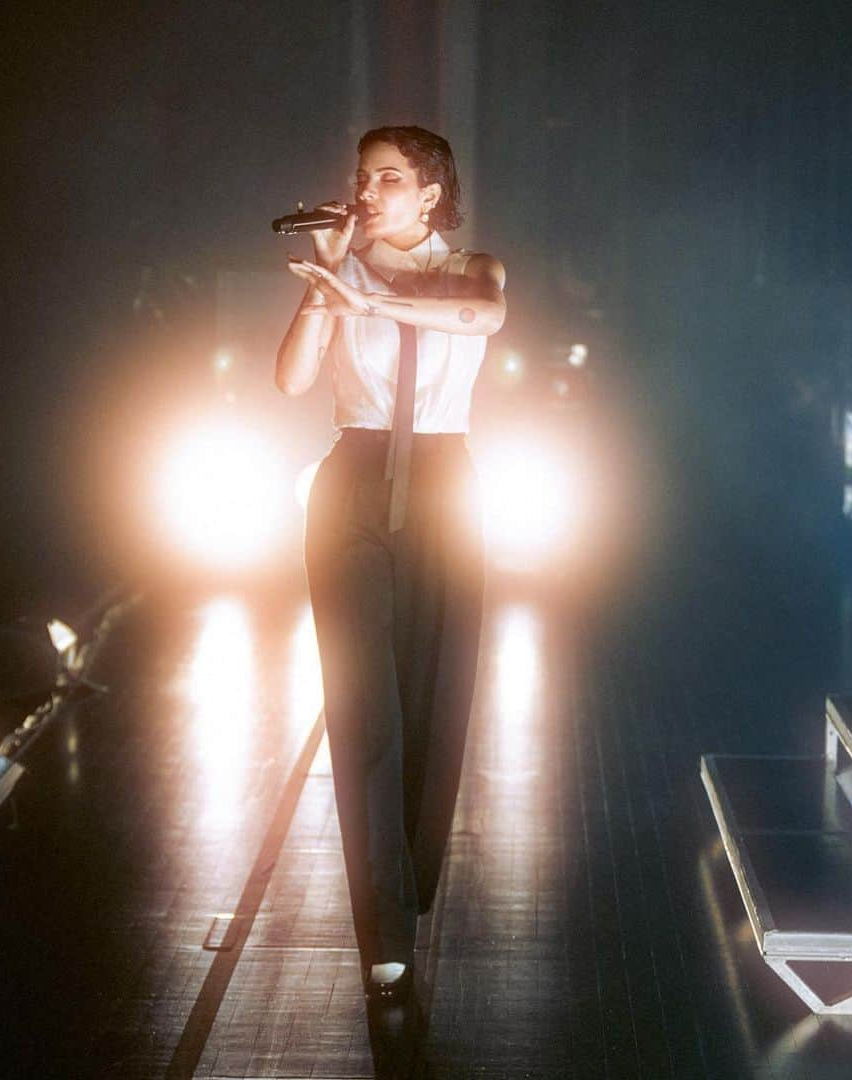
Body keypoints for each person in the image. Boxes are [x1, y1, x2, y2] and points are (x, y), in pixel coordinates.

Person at [276, 125, 506, 1003]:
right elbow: (292, 382)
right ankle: (384, 926)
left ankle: (410, 883)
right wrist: (328, 293)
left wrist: (374, 300)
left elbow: (480, 315)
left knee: (436, 694)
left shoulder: (475, 268)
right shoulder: (344, 276)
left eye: (388, 179)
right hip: (354, 481)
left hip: (446, 483)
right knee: (363, 700)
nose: (367, 192)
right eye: (362, 178)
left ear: (430, 194)